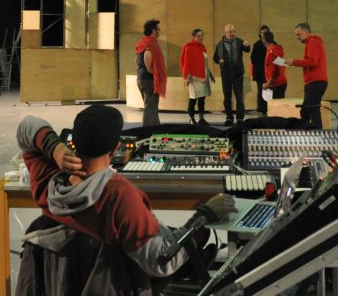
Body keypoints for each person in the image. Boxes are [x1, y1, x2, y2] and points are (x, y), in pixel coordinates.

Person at [15, 106, 237, 295]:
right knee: (195, 241)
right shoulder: (119, 195)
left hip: (64, 283)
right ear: (115, 149)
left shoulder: (48, 181)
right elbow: (161, 261)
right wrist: (204, 216)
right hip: (115, 284)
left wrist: (54, 147)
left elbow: (27, 126)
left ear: (74, 142)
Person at [285, 23, 328, 129]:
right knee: (305, 111)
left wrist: (294, 62)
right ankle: (306, 131)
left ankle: (317, 132)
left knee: (312, 110)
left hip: (315, 82)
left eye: (298, 34)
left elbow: (312, 61)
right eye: (296, 35)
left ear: (306, 32)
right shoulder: (312, 42)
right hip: (315, 82)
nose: (297, 37)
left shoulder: (313, 42)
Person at [213, 24, 250, 125]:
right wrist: (219, 60)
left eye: (234, 31)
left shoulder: (239, 41)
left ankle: (240, 118)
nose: (233, 33)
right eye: (230, 32)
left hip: (238, 73)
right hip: (226, 74)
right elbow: (215, 58)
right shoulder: (220, 44)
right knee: (227, 97)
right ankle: (229, 117)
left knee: (239, 97)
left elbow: (247, 50)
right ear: (225, 32)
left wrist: (247, 45)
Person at [179, 29, 216, 125]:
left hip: (204, 77)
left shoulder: (202, 47)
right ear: (194, 36)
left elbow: (205, 63)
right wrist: (187, 77)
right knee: (193, 99)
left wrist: (210, 75)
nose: (200, 38)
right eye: (198, 36)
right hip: (193, 78)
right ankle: (191, 118)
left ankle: (201, 118)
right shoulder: (188, 47)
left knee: (202, 100)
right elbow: (185, 64)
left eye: (202, 36)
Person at [135, 19, 166, 127]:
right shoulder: (150, 44)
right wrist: (157, 74)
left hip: (142, 78)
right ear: (153, 31)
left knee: (152, 107)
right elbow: (148, 64)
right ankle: (147, 131)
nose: (160, 31)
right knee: (150, 108)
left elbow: (137, 60)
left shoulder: (142, 43)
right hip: (149, 79)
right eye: (158, 29)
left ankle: (156, 128)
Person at [261, 29, 287, 100]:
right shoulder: (276, 50)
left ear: (264, 40)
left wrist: (267, 84)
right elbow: (281, 66)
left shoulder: (270, 53)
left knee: (274, 106)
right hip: (281, 83)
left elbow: (275, 72)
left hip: (275, 85)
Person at [250, 25, 270, 116]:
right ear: (260, 34)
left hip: (270, 72)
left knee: (270, 92)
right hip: (260, 72)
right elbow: (252, 60)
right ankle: (261, 110)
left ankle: (269, 109)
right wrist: (252, 73)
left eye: (265, 32)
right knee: (261, 91)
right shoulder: (257, 45)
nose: (263, 34)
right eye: (262, 33)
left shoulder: (273, 44)